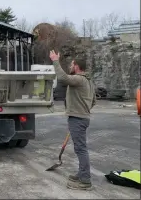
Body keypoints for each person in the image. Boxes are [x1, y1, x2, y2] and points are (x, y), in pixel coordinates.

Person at [49, 50, 96, 190]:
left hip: (78, 118)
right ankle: (82, 174)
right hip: (81, 117)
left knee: (81, 149)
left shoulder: (79, 79)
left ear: (76, 66)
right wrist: (83, 109)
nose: (70, 66)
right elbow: (93, 101)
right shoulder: (89, 81)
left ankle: (85, 181)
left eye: (71, 64)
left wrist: (55, 61)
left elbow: (63, 78)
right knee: (80, 148)